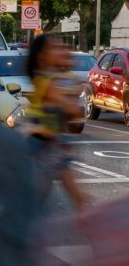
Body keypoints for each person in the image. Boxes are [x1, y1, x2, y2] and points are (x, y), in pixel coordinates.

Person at [24, 34, 86, 209]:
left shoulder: (52, 78)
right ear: (41, 56)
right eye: (54, 48)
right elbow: (72, 109)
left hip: (55, 145)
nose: (59, 50)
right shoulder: (45, 83)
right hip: (41, 146)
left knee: (77, 198)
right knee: (34, 202)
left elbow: (73, 105)